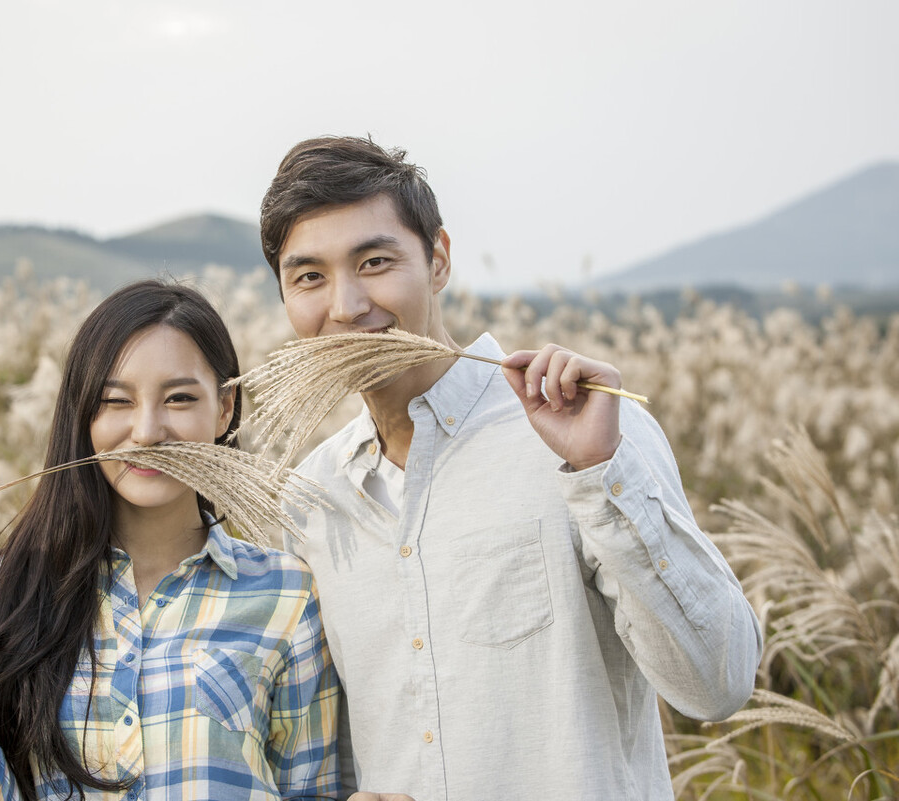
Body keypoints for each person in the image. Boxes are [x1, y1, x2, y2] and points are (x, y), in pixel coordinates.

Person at [257, 137, 763, 800]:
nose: (347, 305)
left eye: (375, 261)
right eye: (309, 277)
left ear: (438, 259)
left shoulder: (580, 433)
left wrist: (599, 471)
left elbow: (717, 684)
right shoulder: (312, 497)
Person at [0, 279, 341, 800]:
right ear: (83, 415)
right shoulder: (9, 592)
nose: (147, 432)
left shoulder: (286, 595)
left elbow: (315, 791)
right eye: (115, 402)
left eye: (179, 398)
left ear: (224, 408)